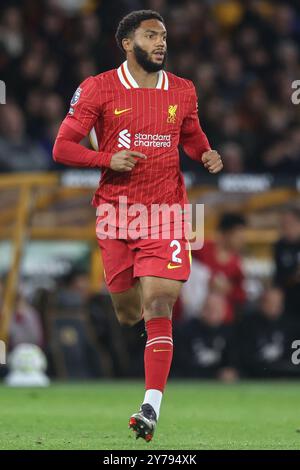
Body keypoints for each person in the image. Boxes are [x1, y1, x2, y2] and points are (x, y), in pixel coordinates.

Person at [53, 10, 223, 441]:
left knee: (160, 305)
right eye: (151, 35)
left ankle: (150, 406)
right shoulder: (99, 88)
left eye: (163, 36)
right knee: (129, 313)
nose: (161, 42)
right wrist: (105, 158)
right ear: (128, 43)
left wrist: (204, 153)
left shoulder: (183, 90)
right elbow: (63, 147)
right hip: (115, 213)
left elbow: (190, 134)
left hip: (166, 213)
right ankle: (137, 334)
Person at [192, 213, 246, 323]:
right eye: (238, 236)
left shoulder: (237, 264)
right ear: (226, 234)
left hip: (223, 321)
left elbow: (240, 295)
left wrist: (228, 289)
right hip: (196, 315)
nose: (242, 240)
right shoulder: (201, 248)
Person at [273, 206, 300, 318]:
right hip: (288, 302)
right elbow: (279, 276)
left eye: (289, 223)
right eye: (283, 223)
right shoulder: (280, 246)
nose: (285, 227)